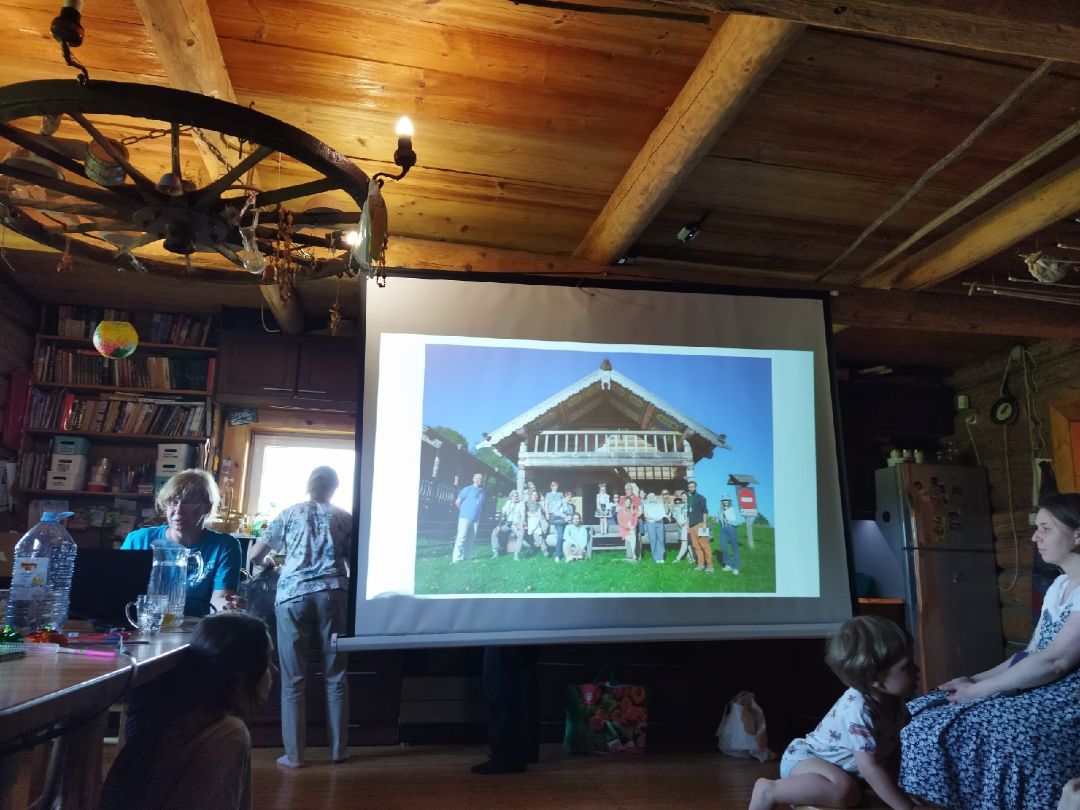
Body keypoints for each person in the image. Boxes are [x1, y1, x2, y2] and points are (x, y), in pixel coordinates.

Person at [899, 492, 1080, 810]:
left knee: (976, 728)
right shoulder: (1059, 586)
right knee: (925, 713)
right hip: (1040, 685)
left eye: (1046, 528)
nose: (1035, 537)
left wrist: (980, 691)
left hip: (1067, 700)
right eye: (1036, 528)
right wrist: (974, 679)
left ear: (1077, 534)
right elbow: (1032, 653)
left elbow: (1055, 661)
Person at [101, 612, 275, 810]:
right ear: (241, 672)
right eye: (268, 661)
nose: (275, 671)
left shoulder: (172, 714)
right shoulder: (225, 733)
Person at [749, 615, 923, 810]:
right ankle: (769, 790)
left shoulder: (896, 702)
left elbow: (892, 752)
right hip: (807, 761)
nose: (917, 670)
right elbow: (869, 767)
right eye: (907, 666)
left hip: (842, 770)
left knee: (859, 792)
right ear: (874, 677)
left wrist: (899, 792)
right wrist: (908, 808)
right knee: (846, 791)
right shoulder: (859, 710)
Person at [248, 466, 352, 769]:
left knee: (293, 679)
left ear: (309, 485)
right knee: (336, 675)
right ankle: (338, 750)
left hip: (293, 595)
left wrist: (271, 561)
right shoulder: (345, 517)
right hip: (333, 594)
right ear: (334, 487)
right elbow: (352, 559)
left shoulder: (289, 513)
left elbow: (255, 556)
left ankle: (294, 755)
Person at [122, 469, 243, 616]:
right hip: (143, 622)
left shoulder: (225, 546)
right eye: (173, 502)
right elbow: (120, 590)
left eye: (188, 503)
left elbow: (220, 599)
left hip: (196, 625)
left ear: (208, 507)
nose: (178, 510)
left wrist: (228, 605)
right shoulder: (138, 540)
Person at [452, 472, 486, 563]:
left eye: (481, 479)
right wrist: (464, 511)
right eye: (477, 478)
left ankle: (466, 557)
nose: (479, 480)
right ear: (473, 479)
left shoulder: (482, 492)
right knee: (462, 537)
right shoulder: (467, 489)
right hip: (465, 518)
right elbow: (457, 502)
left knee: (471, 539)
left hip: (476, 519)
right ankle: (456, 559)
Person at [685, 480, 713, 573]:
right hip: (691, 526)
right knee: (696, 546)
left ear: (696, 487)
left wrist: (704, 524)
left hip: (700, 524)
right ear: (688, 488)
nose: (691, 488)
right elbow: (688, 514)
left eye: (693, 487)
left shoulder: (701, 498)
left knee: (705, 545)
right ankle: (700, 565)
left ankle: (710, 566)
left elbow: (705, 511)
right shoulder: (689, 499)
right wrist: (688, 526)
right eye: (690, 487)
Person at [491, 489, 525, 557]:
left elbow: (523, 515)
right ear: (511, 496)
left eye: (517, 496)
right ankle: (496, 551)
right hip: (507, 524)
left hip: (516, 525)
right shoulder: (508, 503)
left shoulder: (521, 504)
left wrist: (521, 525)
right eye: (515, 496)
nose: (516, 497)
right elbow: (502, 514)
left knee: (520, 534)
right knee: (495, 531)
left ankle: (517, 554)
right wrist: (499, 525)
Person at [544, 480, 571, 561]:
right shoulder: (548, 494)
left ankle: (570, 553)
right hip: (554, 515)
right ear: (551, 487)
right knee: (558, 533)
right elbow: (546, 505)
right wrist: (546, 513)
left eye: (557, 486)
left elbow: (564, 505)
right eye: (554, 486)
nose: (556, 487)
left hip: (562, 516)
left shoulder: (560, 494)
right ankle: (557, 554)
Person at [616, 482, 642, 562]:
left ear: (632, 490)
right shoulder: (622, 499)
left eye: (630, 489)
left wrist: (633, 522)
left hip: (634, 523)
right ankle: (631, 555)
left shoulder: (637, 499)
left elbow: (640, 511)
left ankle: (637, 555)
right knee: (630, 539)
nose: (628, 491)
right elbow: (619, 512)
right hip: (625, 525)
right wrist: (628, 523)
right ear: (625, 490)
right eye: (627, 490)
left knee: (636, 537)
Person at [718, 496, 742, 575]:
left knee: (734, 548)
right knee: (723, 548)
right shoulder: (720, 510)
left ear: (729, 501)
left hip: (732, 528)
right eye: (723, 500)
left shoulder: (734, 509)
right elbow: (720, 521)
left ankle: (736, 567)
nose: (725, 501)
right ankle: (728, 565)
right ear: (722, 501)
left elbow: (741, 520)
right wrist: (716, 520)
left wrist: (732, 522)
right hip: (723, 529)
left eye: (726, 500)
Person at [522, 488, 548, 559]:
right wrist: (533, 514)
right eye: (533, 494)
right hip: (531, 520)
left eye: (536, 495)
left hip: (539, 519)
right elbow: (526, 513)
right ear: (530, 495)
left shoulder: (539, 504)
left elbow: (542, 513)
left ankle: (540, 544)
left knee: (544, 526)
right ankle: (544, 549)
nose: (535, 496)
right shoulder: (527, 503)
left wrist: (542, 516)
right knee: (537, 531)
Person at [642, 492, 667, 563]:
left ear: (655, 497)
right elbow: (646, 515)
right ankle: (656, 558)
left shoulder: (659, 503)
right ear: (648, 498)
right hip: (650, 523)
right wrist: (654, 518)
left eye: (652, 496)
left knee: (660, 539)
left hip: (660, 523)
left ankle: (661, 557)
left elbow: (663, 513)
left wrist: (659, 518)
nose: (651, 498)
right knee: (653, 540)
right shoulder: (646, 504)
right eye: (649, 497)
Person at [671, 495, 693, 564]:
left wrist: (684, 523)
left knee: (685, 542)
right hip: (683, 526)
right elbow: (677, 516)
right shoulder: (680, 507)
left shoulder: (689, 505)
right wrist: (679, 522)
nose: (684, 498)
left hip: (687, 526)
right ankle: (693, 558)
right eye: (683, 497)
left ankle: (678, 558)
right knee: (687, 543)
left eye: (685, 497)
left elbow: (689, 516)